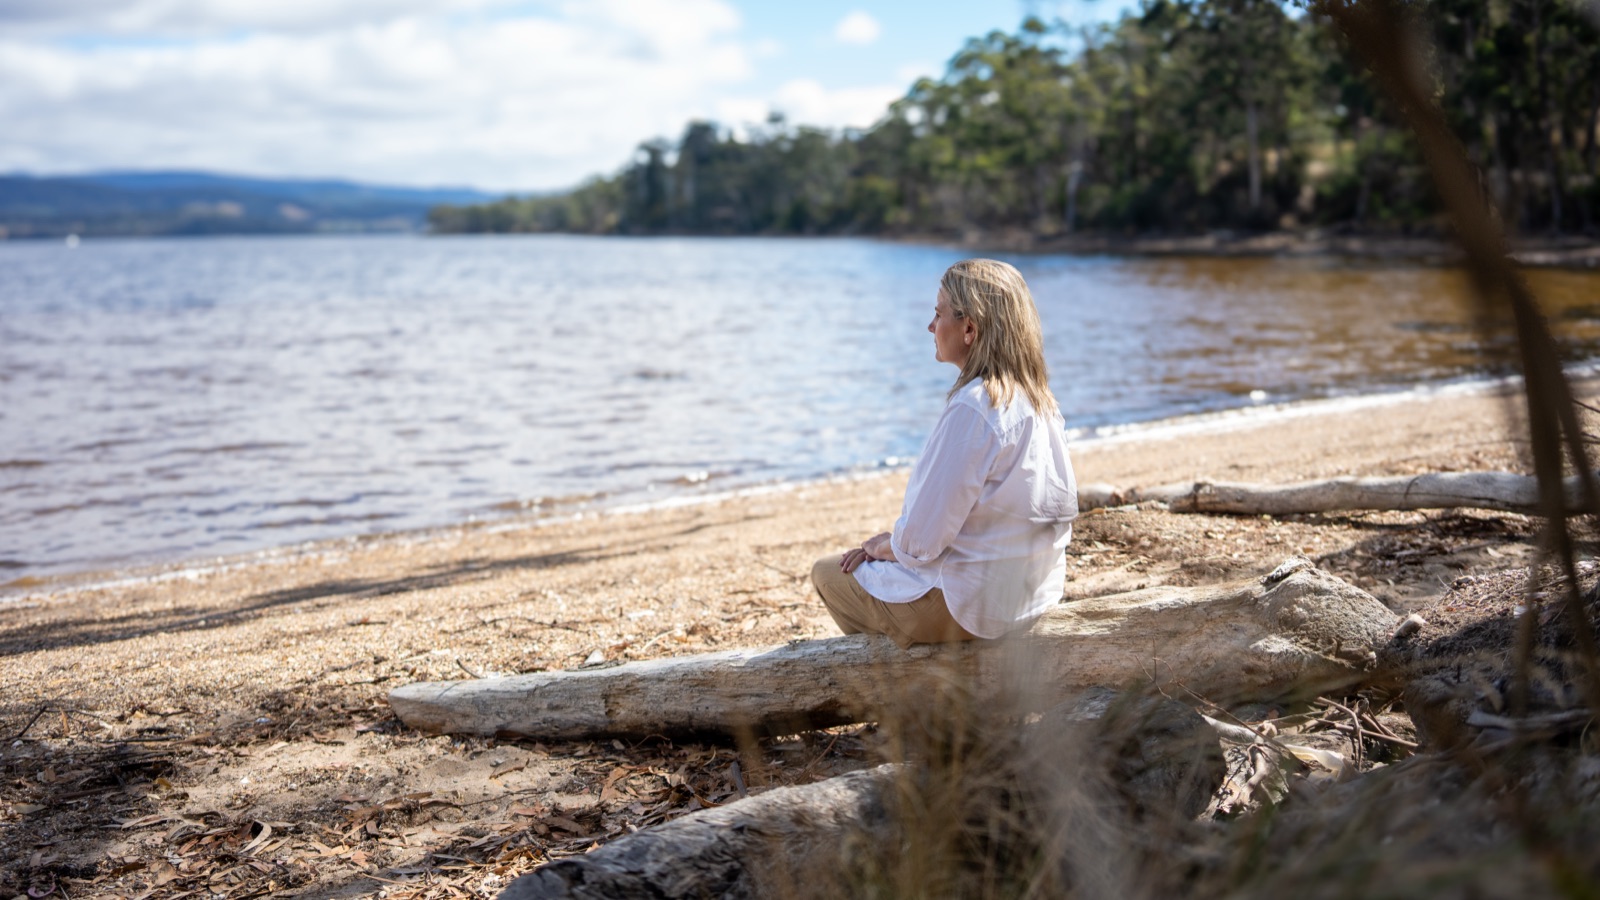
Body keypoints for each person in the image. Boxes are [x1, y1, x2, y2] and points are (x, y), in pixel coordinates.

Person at [811, 258, 1078, 648]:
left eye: (938, 314)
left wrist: (885, 547)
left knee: (826, 573)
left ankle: (916, 690)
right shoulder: (1041, 403)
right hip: (1033, 593)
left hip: (971, 606)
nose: (931, 326)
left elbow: (921, 542)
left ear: (969, 327)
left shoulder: (975, 407)